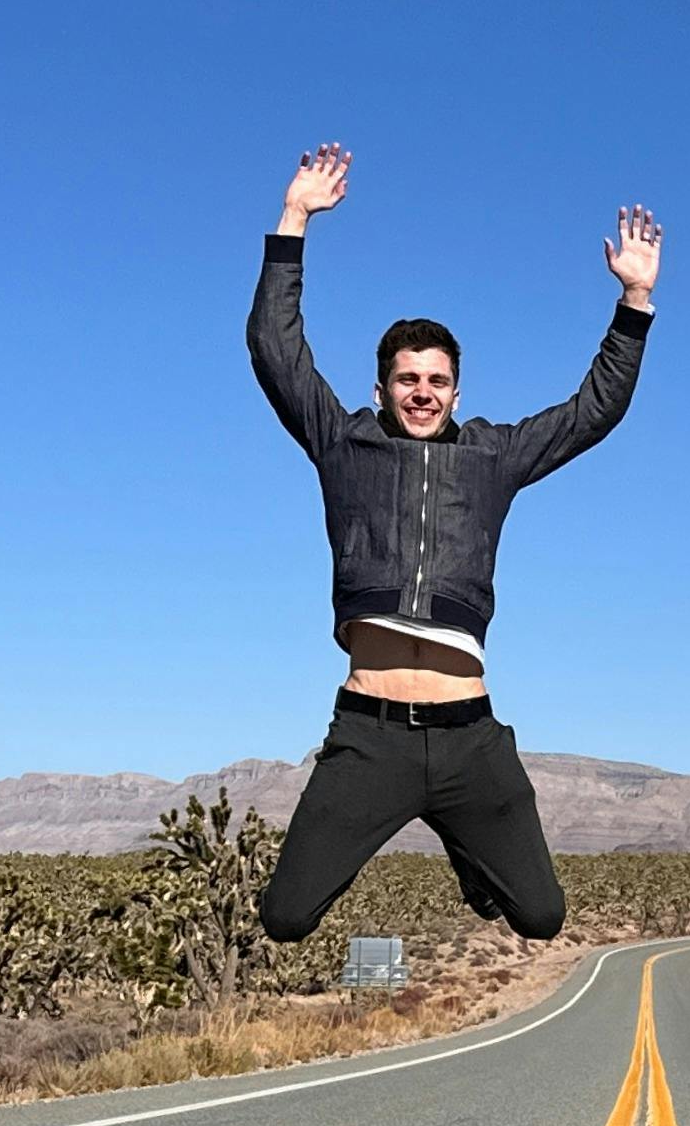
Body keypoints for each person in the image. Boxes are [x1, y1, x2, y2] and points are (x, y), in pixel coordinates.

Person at [248, 142, 663, 944]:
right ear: (381, 389)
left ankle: (467, 845)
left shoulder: (492, 456)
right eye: (407, 379)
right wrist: (294, 218)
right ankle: (432, 823)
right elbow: (275, 347)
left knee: (542, 917)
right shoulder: (344, 442)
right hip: (368, 734)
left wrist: (635, 302)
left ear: (457, 391)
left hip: (469, 734)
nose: (422, 392)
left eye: (436, 380)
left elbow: (593, 411)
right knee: (286, 917)